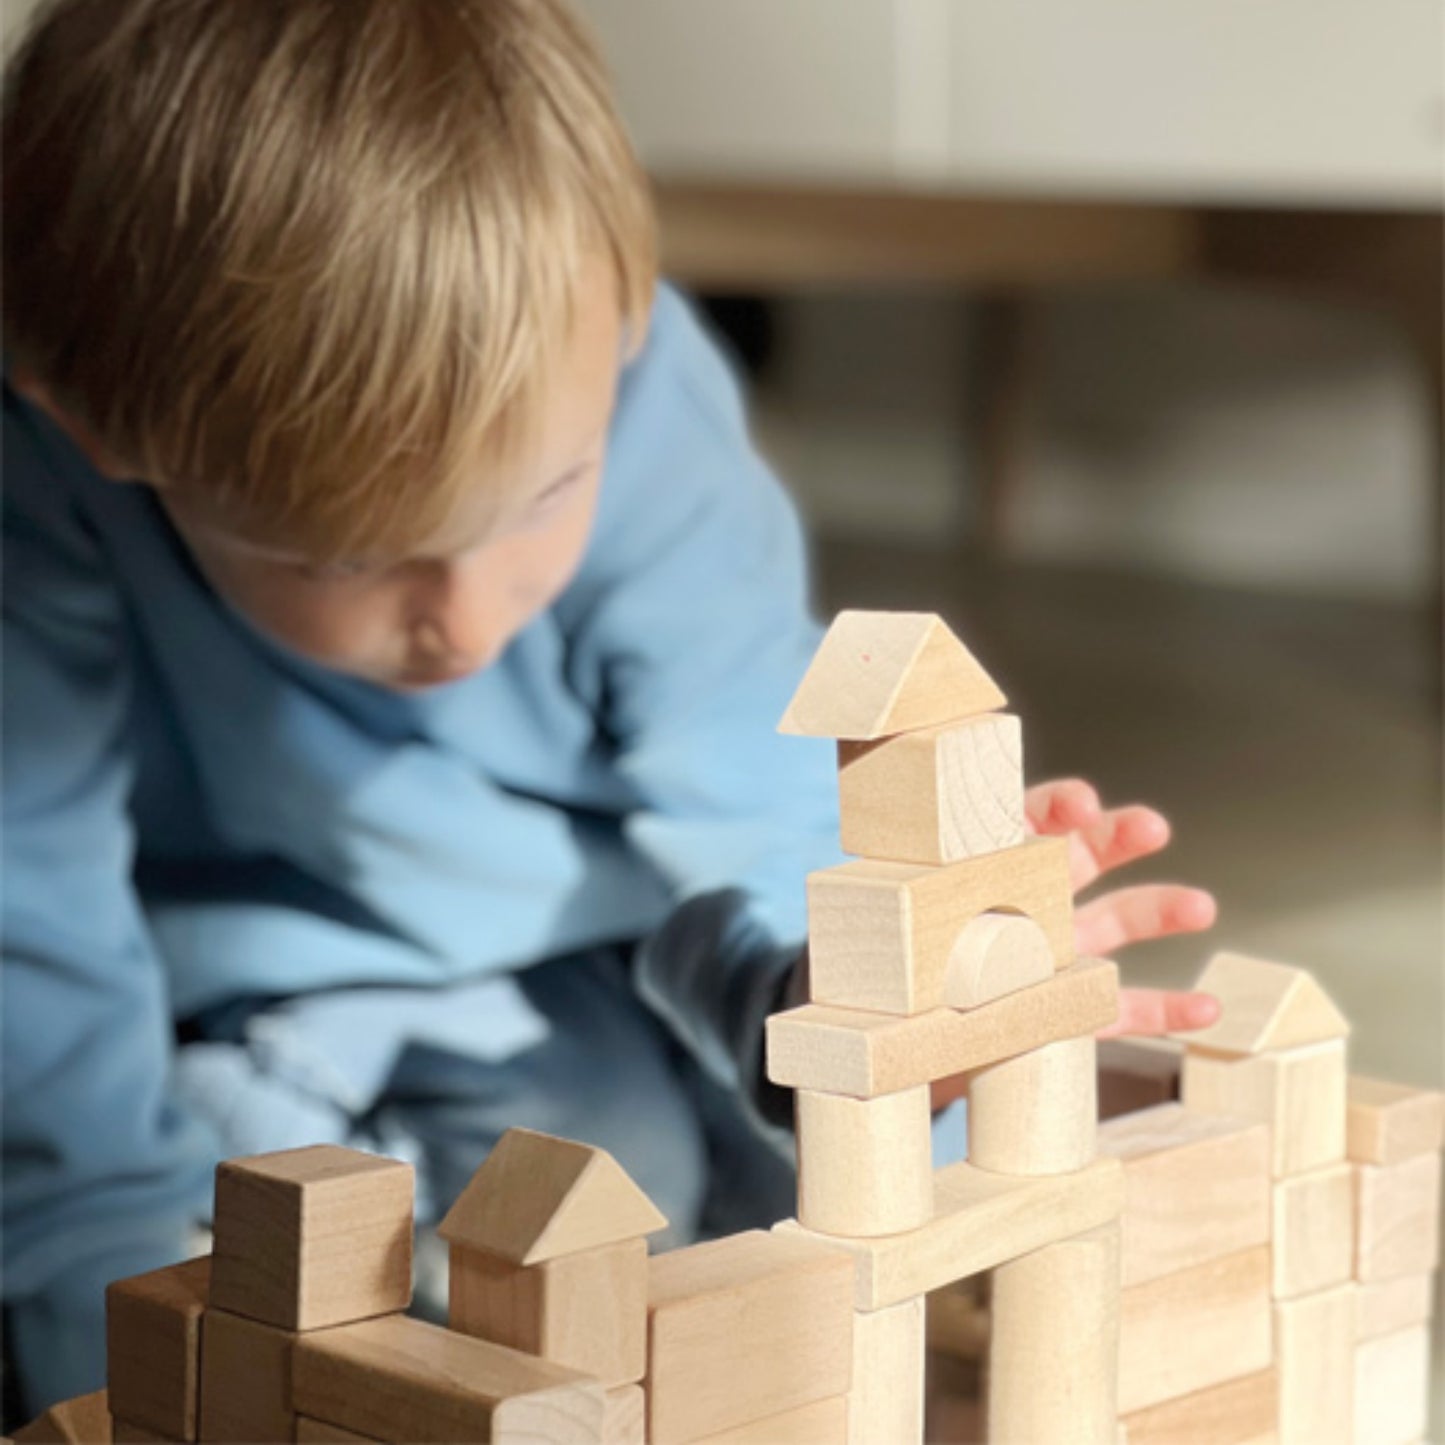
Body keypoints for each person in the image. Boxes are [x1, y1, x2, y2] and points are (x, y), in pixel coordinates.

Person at [0, 0, 1218, 1413]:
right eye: (340, 561)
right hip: (292, 980)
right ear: (90, 424)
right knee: (557, 1196)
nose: (464, 622)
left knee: (785, 1205)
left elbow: (751, 785)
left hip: (624, 942)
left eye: (543, 499)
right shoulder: (47, 471)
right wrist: (107, 1319)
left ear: (625, 326)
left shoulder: (633, 386)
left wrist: (856, 999)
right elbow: (35, 918)